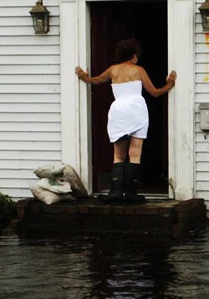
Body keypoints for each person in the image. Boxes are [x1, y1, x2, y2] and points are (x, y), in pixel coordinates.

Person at [75, 39, 176, 203]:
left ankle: (114, 192)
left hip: (119, 111)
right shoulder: (138, 70)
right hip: (137, 110)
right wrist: (170, 84)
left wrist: (83, 75)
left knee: (118, 155)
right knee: (135, 153)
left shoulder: (113, 70)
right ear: (134, 56)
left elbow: (95, 81)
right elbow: (155, 93)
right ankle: (130, 193)